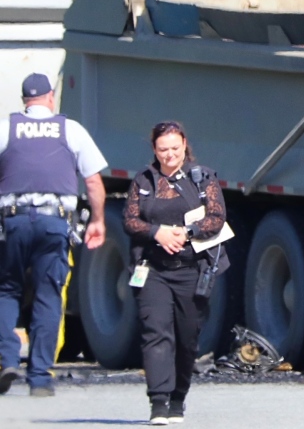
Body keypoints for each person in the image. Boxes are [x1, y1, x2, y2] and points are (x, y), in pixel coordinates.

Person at [0, 73, 107, 397]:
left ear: (24, 102)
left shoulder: (7, 127)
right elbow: (93, 182)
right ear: (50, 97)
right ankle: (40, 377)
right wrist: (97, 220)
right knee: (48, 296)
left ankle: (6, 360)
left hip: (14, 221)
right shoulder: (69, 129)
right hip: (54, 222)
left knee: (6, 291)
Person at [123, 120, 229, 425]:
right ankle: (158, 401)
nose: (169, 155)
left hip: (192, 270)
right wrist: (157, 233)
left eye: (174, 148)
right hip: (152, 269)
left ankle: (178, 398)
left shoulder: (202, 177)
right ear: (154, 149)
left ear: (184, 145)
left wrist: (187, 232)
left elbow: (217, 217)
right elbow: (130, 221)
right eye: (162, 149)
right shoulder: (144, 180)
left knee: (187, 338)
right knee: (156, 333)